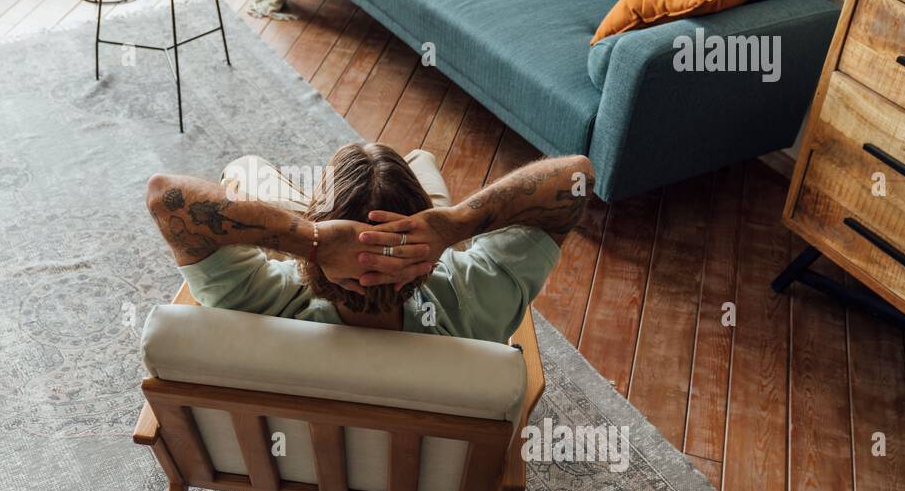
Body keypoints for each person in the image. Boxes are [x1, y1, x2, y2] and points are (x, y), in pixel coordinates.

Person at [144, 143, 593, 342]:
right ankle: (419, 171)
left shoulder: (257, 301)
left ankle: (314, 202)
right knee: (419, 160)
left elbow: (165, 196)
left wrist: (311, 238)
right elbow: (576, 175)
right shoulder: (476, 300)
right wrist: (450, 225)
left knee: (243, 169)